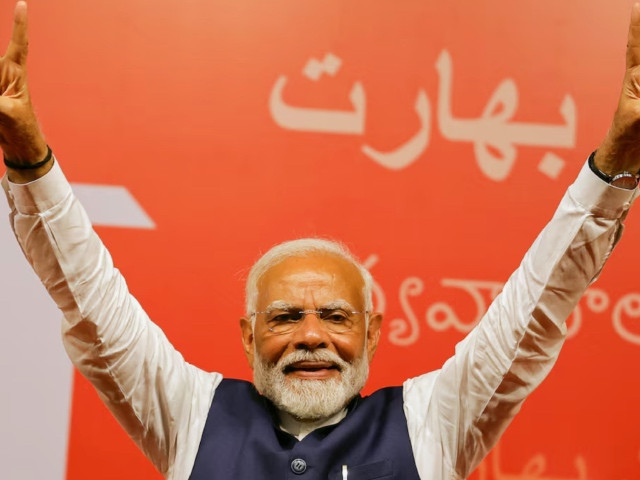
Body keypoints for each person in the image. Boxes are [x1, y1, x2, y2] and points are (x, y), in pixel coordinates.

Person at [3, 1, 640, 479]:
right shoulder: (189, 411)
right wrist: (31, 160)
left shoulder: (434, 421)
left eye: (335, 316)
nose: (312, 336)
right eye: (285, 317)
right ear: (249, 336)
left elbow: (535, 309)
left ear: (373, 331)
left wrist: (614, 166)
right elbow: (91, 301)